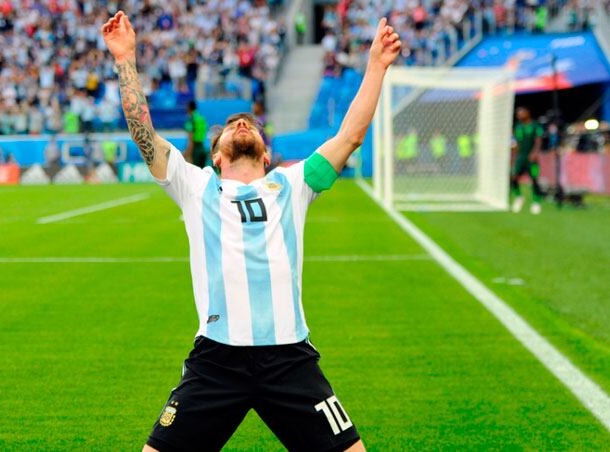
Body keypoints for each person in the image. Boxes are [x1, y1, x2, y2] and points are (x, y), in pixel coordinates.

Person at [102, 11, 401, 451]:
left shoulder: (292, 184)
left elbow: (349, 136)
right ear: (217, 156)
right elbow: (142, 132)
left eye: (252, 124)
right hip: (216, 361)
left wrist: (375, 65)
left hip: (289, 359)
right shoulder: (195, 184)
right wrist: (125, 59)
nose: (242, 124)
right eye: (231, 126)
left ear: (266, 155)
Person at [511, 107, 543, 214]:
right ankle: (519, 197)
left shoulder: (535, 126)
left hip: (531, 158)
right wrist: (513, 157)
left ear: (527, 113)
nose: (519, 115)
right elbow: (516, 143)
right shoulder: (518, 127)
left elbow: (538, 141)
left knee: (534, 179)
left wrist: (535, 153)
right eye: (518, 114)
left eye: (521, 113)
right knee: (513, 177)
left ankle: (536, 202)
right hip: (520, 157)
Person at [184, 101, 209, 168]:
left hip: (195, 150)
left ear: (189, 108)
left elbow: (191, 139)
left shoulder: (191, 120)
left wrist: (187, 153)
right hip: (203, 148)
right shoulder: (202, 118)